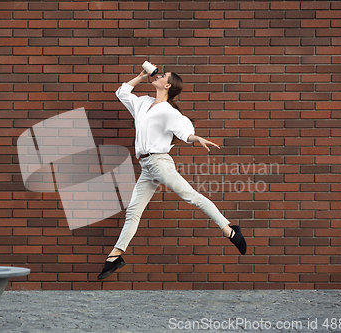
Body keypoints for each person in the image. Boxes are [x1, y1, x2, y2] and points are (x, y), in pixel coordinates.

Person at [98, 66, 247, 280]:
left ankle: (229, 230)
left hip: (159, 162)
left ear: (167, 85)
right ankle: (115, 256)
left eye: (163, 76)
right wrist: (140, 77)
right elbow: (122, 93)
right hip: (147, 167)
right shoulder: (144, 103)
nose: (157, 76)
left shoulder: (169, 111)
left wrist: (198, 139)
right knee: (133, 212)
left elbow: (186, 132)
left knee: (191, 197)